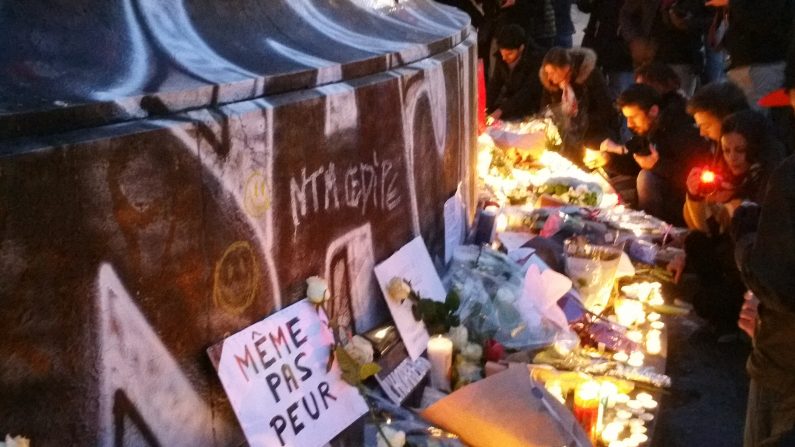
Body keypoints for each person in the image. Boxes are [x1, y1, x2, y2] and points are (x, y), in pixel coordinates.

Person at [678, 111, 784, 338]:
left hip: (752, 276)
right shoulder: (726, 179)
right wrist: (695, 197)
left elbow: (761, 249)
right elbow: (703, 231)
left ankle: (729, 321)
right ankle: (721, 313)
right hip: (729, 264)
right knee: (695, 242)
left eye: (740, 150)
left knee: (706, 303)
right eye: (726, 150)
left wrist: (735, 206)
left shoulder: (771, 181)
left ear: (755, 149)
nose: (732, 158)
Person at [600, 83, 710, 225]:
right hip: (667, 186)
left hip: (688, 204)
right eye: (627, 118)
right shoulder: (651, 127)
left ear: (653, 111)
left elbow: (695, 178)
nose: (629, 124)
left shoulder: (681, 129)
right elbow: (637, 162)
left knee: (646, 178)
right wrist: (608, 160)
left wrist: (657, 165)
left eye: (633, 117)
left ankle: (654, 232)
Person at [704, 0, 793, 108]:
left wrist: (732, 3)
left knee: (760, 116)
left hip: (765, 63)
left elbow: (765, 20)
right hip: (741, 62)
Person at [539, 46, 620, 164]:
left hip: (594, 131)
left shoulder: (590, 76)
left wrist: (580, 120)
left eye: (552, 72)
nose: (549, 77)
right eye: (547, 72)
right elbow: (545, 108)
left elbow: (607, 110)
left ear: (565, 68)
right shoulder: (551, 84)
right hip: (565, 134)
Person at [619, 0, 711, 96]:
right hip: (650, 59)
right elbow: (626, 14)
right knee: (646, 103)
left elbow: (713, 18)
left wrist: (689, 23)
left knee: (678, 104)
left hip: (684, 58)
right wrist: (635, 39)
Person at [486, 25, 544, 121]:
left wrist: (501, 110)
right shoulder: (502, 58)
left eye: (509, 54)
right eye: (502, 53)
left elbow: (527, 92)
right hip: (510, 103)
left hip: (530, 107)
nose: (504, 58)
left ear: (521, 48)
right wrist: (486, 107)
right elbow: (495, 84)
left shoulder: (535, 60)